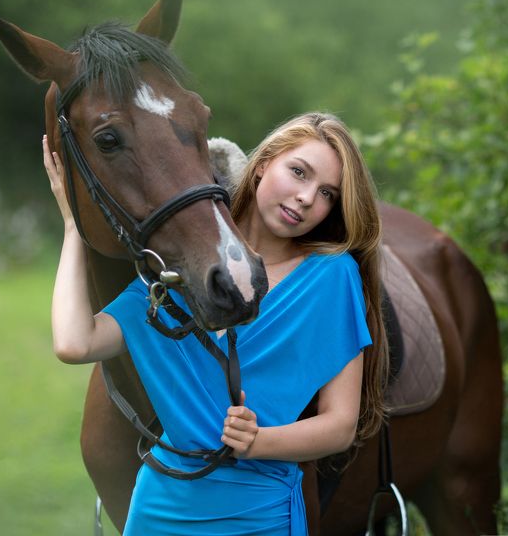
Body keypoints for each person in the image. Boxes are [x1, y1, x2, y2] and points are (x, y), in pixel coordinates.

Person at [43, 112, 387, 535]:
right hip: (160, 510)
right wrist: (73, 229)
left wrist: (259, 441)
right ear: (263, 164)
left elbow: (340, 426)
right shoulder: (178, 272)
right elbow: (75, 343)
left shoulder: (332, 278)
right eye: (298, 172)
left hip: (259, 513)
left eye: (327, 194)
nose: (305, 198)